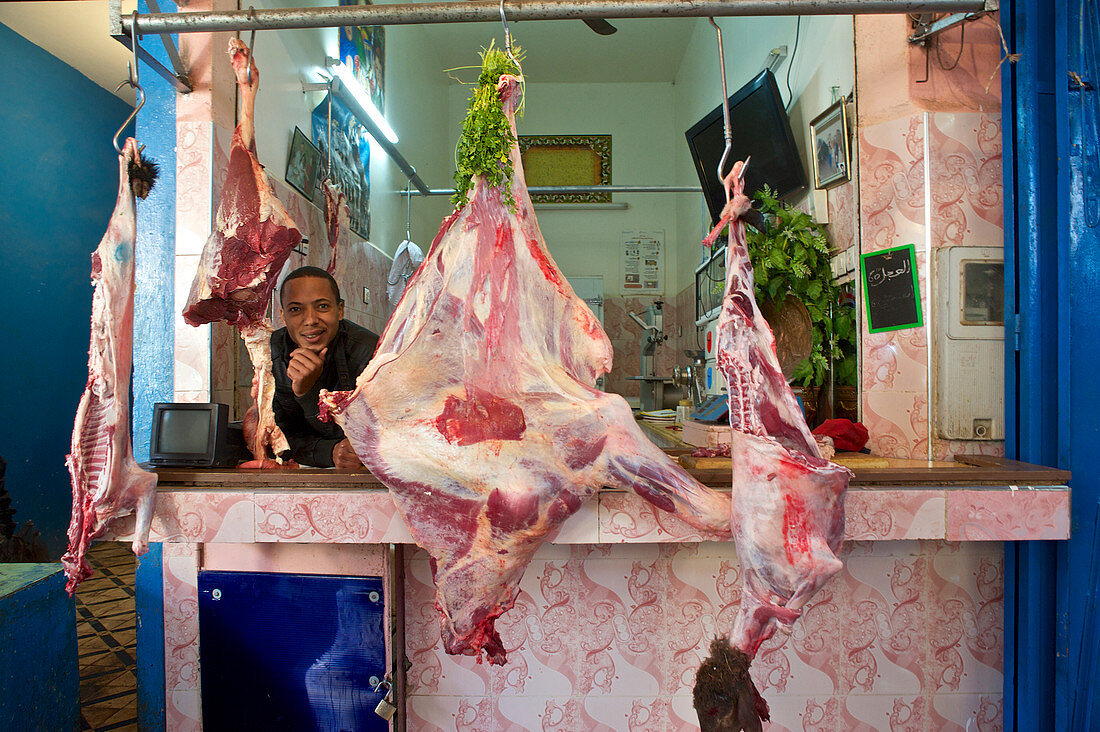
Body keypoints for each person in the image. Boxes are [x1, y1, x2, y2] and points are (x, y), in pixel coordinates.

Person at [271, 266, 378, 468]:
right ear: (283, 316)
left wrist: (307, 393)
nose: (310, 320)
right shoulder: (272, 354)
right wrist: (329, 452)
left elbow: (370, 436)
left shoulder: (369, 353)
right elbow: (280, 436)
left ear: (339, 310)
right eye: (296, 309)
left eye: (322, 307)